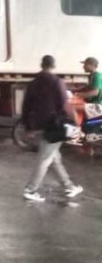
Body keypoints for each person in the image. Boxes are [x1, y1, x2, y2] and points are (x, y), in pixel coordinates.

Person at [20, 54, 83, 202]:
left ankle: (69, 186)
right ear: (53, 66)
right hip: (53, 126)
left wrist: (28, 127)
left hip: (38, 125)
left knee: (54, 158)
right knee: (45, 158)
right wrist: (76, 124)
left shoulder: (33, 83)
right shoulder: (56, 82)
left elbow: (26, 106)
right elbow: (65, 105)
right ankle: (31, 189)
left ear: (41, 65)